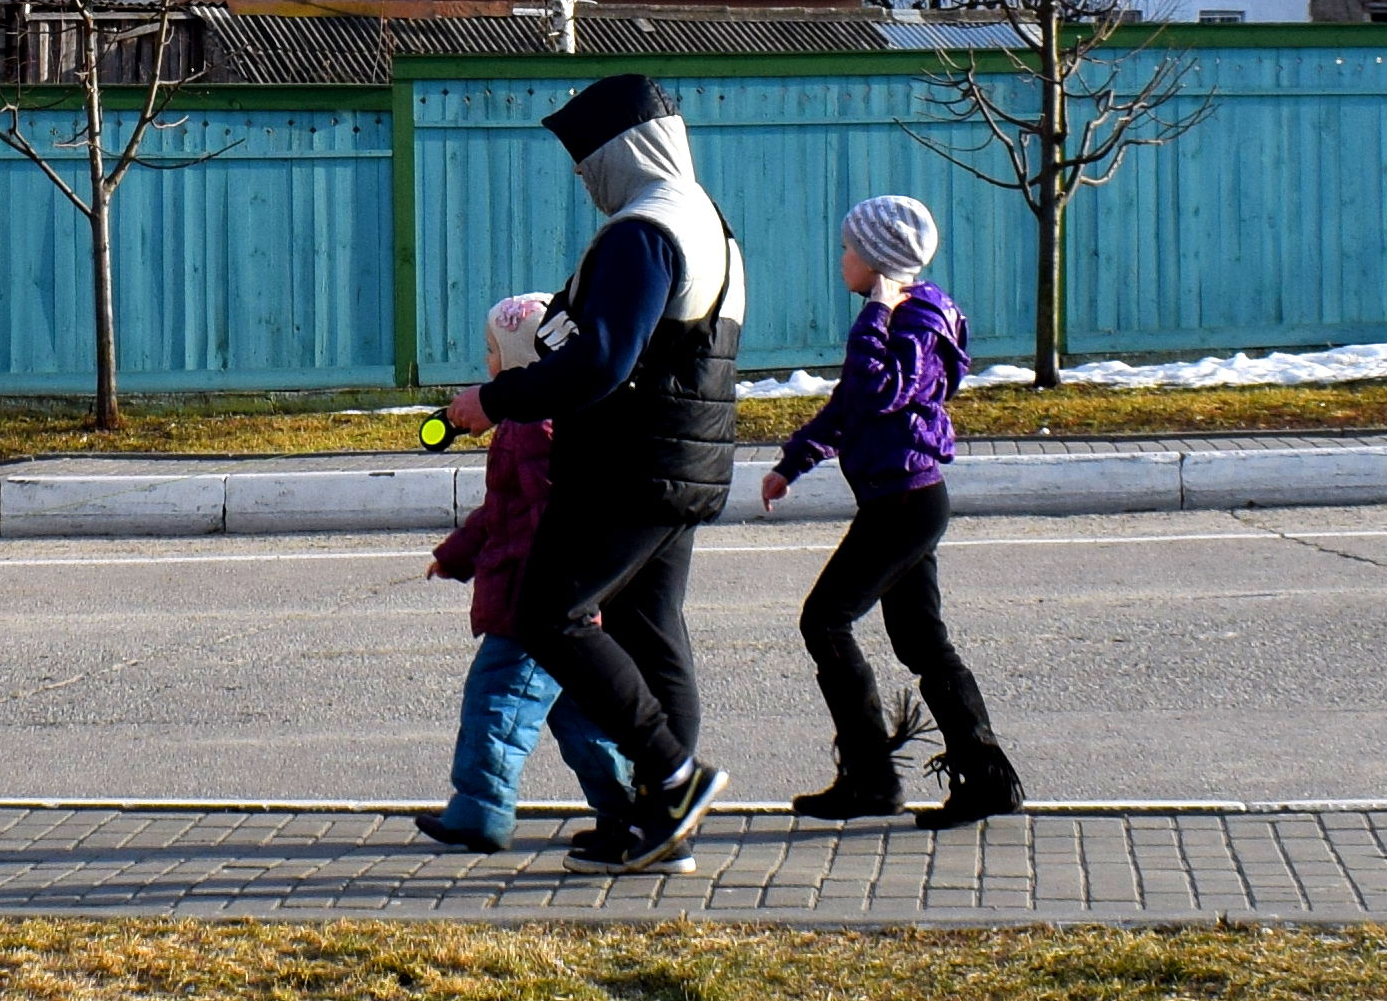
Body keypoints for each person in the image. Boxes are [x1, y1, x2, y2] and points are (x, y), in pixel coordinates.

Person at [472, 72, 749, 875]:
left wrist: (496, 400)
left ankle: (672, 775)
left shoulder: (643, 231)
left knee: (548, 614)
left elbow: (600, 360)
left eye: (583, 154)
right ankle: (658, 824)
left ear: (622, 149)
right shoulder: (708, 225)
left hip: (628, 463)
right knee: (650, 632)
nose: (578, 173)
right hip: (686, 459)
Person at [757, 192, 1026, 829]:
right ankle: (981, 777)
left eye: (848, 249)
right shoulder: (895, 319)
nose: (840, 258)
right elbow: (850, 409)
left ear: (877, 262)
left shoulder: (913, 321)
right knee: (920, 641)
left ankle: (873, 778)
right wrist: (791, 463)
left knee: (825, 620)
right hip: (899, 499)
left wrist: (875, 315)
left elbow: (880, 389)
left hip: (907, 504)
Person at [415, 292, 649, 851]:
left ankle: (481, 811)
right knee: (580, 719)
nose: (487, 363)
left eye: (492, 352)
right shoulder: (541, 423)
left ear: (517, 358)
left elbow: (551, 512)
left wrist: (563, 583)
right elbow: (502, 511)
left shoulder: (530, 429)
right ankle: (628, 809)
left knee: (493, 705)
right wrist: (457, 554)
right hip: (550, 599)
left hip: (529, 604)